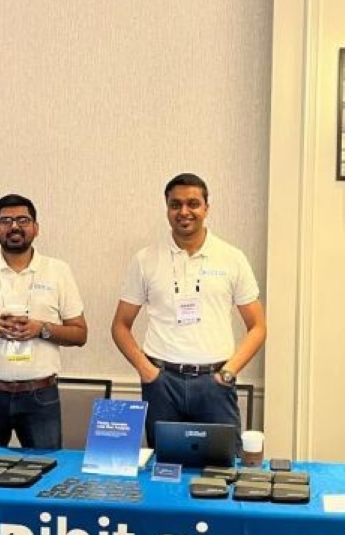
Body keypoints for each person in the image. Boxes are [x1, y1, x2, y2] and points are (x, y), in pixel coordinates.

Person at [112, 173, 266, 446]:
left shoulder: (232, 258)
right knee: (165, 470)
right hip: (162, 383)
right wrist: (147, 372)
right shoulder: (145, 259)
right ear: (167, 209)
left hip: (215, 383)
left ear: (207, 208)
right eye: (175, 204)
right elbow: (120, 326)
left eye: (193, 203)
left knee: (222, 471)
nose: (184, 212)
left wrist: (228, 373)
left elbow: (258, 327)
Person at [0, 195, 87, 449]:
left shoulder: (59, 271)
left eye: (23, 220)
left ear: (36, 227)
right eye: (6, 221)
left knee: (45, 476)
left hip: (40, 395)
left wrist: (41, 329)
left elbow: (79, 334)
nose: (14, 227)